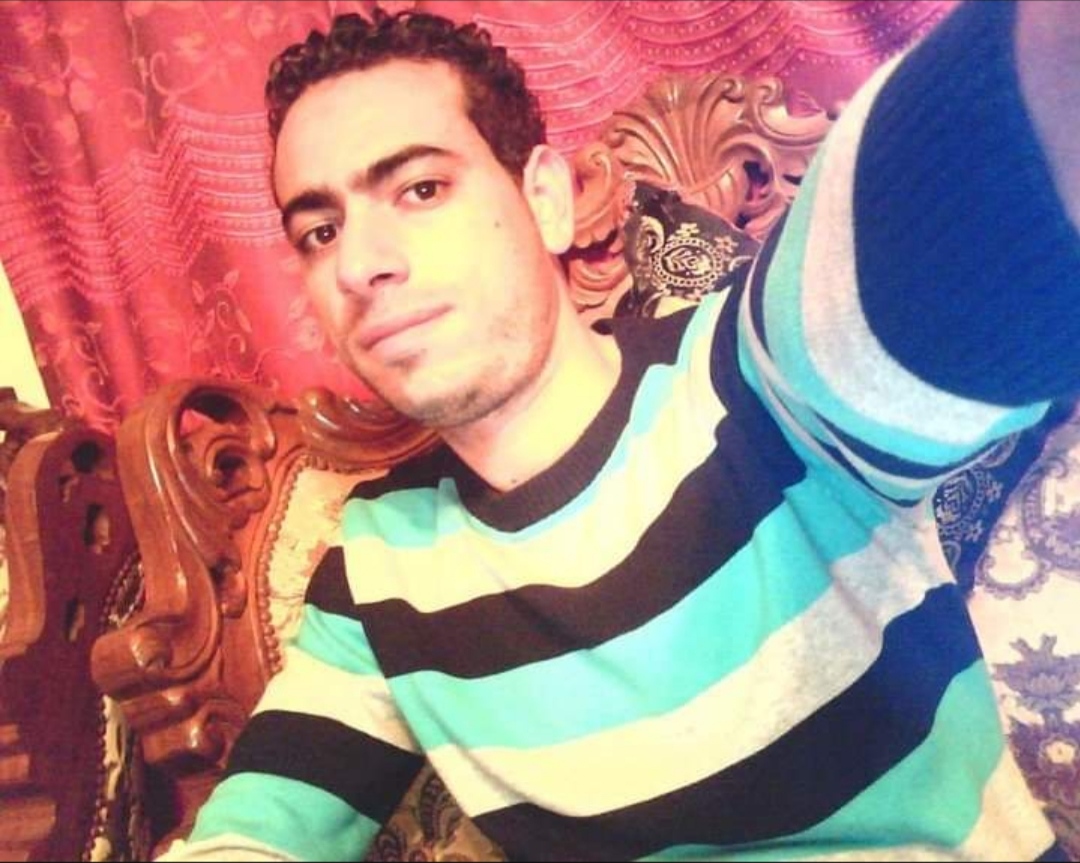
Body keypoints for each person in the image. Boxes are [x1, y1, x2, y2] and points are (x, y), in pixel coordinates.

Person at [160, 1, 1080, 860]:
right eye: (319, 232)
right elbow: (255, 833)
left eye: (422, 187)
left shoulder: (752, 378)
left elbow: (975, 176)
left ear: (546, 199)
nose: (359, 264)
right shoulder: (377, 565)